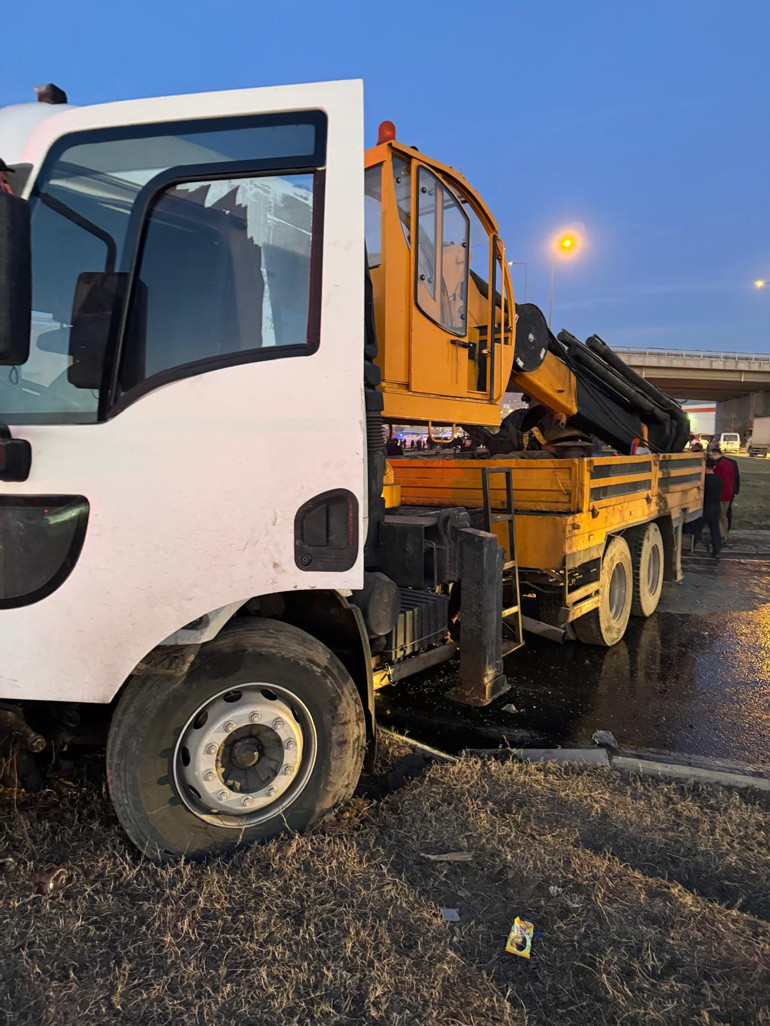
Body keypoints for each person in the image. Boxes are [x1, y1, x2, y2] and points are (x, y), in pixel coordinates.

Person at [707, 444, 735, 540]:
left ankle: (721, 534)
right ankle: (725, 533)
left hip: (720, 494)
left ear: (715, 455)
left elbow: (716, 479)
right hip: (728, 494)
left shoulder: (719, 465)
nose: (710, 458)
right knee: (724, 516)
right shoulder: (729, 464)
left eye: (711, 456)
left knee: (718, 516)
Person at [701, 460, 723, 557]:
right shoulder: (719, 480)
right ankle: (716, 550)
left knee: (697, 528)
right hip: (716, 506)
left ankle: (690, 548)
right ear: (714, 467)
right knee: (715, 530)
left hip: (705, 506)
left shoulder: (703, 480)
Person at [725, 453, 741, 531]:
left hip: (728, 491)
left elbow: (736, 477)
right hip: (730, 491)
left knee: (727, 510)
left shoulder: (731, 462)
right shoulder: (732, 462)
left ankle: (726, 528)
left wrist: (735, 490)